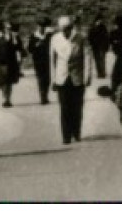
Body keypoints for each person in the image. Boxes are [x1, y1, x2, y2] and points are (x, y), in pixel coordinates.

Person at [50, 15, 92, 145]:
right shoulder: (55, 39)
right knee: (64, 107)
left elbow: (87, 57)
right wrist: (53, 79)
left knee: (77, 106)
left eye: (67, 28)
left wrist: (87, 76)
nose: (65, 31)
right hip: (62, 77)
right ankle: (66, 135)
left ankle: (76, 132)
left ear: (71, 28)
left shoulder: (81, 38)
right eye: (62, 29)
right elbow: (52, 60)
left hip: (77, 77)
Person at [0, 22, 21, 107]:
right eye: (7, 28)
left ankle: (8, 99)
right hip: (2, 63)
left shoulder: (15, 38)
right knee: (3, 82)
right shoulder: (0, 39)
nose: (8, 30)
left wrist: (15, 41)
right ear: (4, 29)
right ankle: (4, 98)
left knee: (9, 82)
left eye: (9, 28)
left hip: (11, 63)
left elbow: (20, 48)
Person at [30, 18, 53, 105]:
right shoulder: (34, 36)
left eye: (43, 26)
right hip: (38, 61)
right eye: (40, 26)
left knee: (47, 79)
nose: (42, 28)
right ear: (38, 27)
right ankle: (42, 97)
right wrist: (36, 45)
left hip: (48, 60)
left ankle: (45, 95)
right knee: (40, 79)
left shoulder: (49, 36)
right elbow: (30, 49)